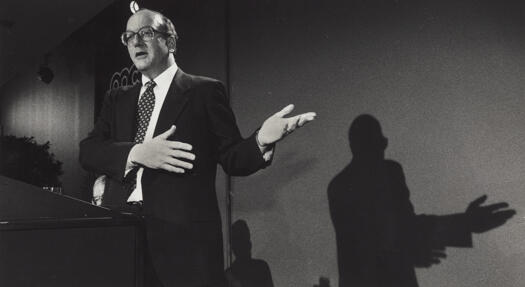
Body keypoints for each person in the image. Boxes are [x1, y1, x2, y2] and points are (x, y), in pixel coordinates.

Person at [79, 8, 315, 287]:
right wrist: (137, 153)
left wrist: (261, 139)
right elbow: (89, 150)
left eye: (146, 33)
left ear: (171, 42)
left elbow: (232, 157)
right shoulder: (117, 98)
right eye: (129, 36)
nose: (136, 42)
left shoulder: (204, 91)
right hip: (123, 234)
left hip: (183, 241)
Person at [327, 114, 515, 287]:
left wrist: (466, 223)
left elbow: (399, 228)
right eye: (378, 143)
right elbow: (373, 240)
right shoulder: (364, 181)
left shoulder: (378, 176)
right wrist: (466, 223)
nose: (382, 149)